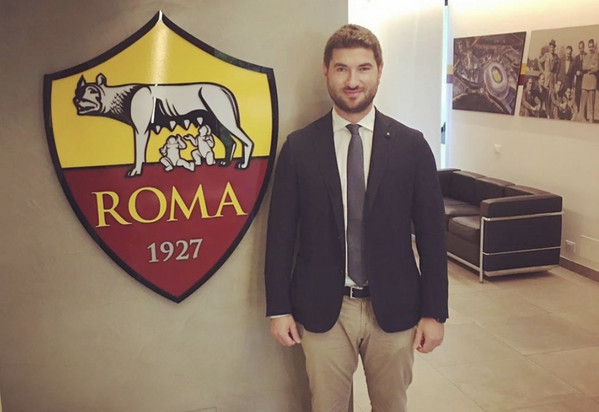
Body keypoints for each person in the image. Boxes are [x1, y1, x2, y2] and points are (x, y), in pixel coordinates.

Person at [264, 24, 448, 412]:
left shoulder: (412, 147)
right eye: (342, 69)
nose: (352, 81)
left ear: (379, 70)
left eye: (363, 68)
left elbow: (433, 237)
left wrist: (434, 312)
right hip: (324, 310)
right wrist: (279, 308)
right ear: (326, 72)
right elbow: (280, 237)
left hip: (395, 308)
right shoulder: (299, 148)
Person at [579, 38, 598, 123]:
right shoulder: (585, 56)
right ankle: (582, 119)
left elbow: (596, 68)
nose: (590, 48)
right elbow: (583, 67)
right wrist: (591, 67)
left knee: (591, 104)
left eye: (592, 46)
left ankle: (591, 120)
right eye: (589, 47)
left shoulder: (596, 56)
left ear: (594, 47)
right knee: (583, 103)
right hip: (585, 82)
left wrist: (590, 68)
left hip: (592, 82)